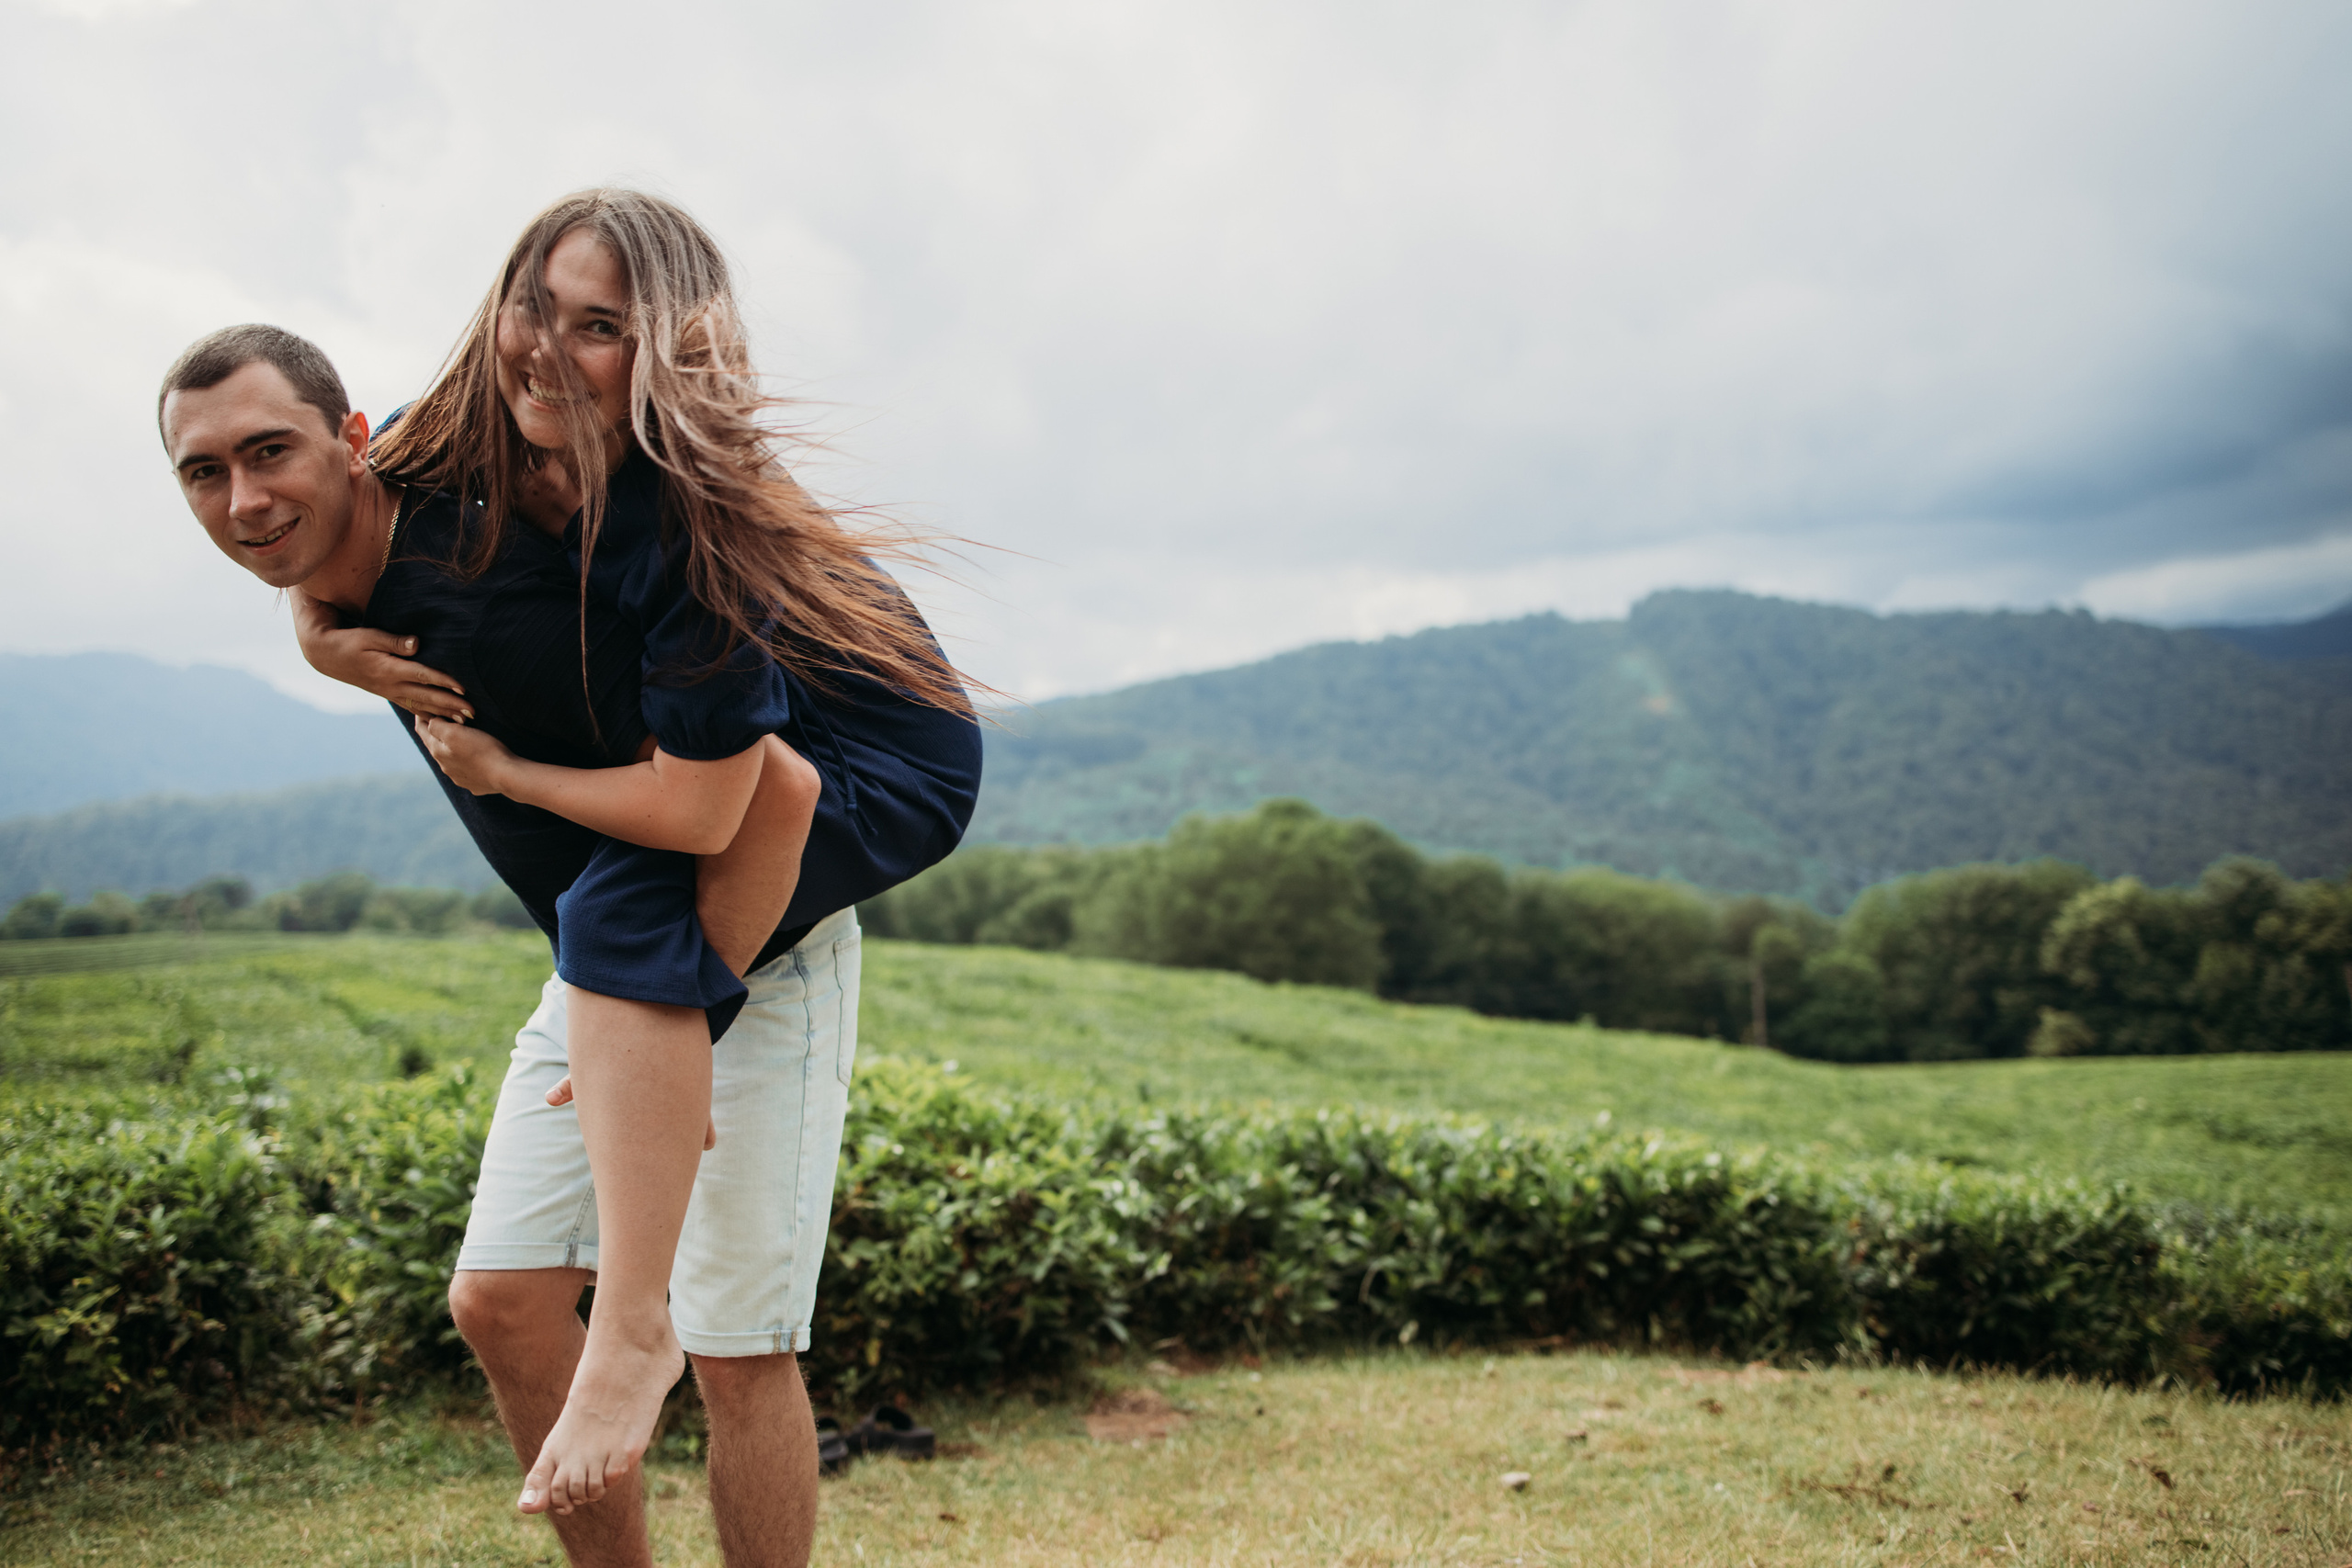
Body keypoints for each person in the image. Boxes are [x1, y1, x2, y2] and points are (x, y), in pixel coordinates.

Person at [160, 198, 981, 1563]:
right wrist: (319, 635)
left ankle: (642, 1326)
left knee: (736, 1345)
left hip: (848, 794)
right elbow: (311, 523)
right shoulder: (455, 438)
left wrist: (675, 999)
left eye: (599, 325)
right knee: (499, 1297)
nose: (546, 347)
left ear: (665, 347)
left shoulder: (673, 528)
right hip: (650, 866)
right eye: (534, 309)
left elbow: (758, 796)